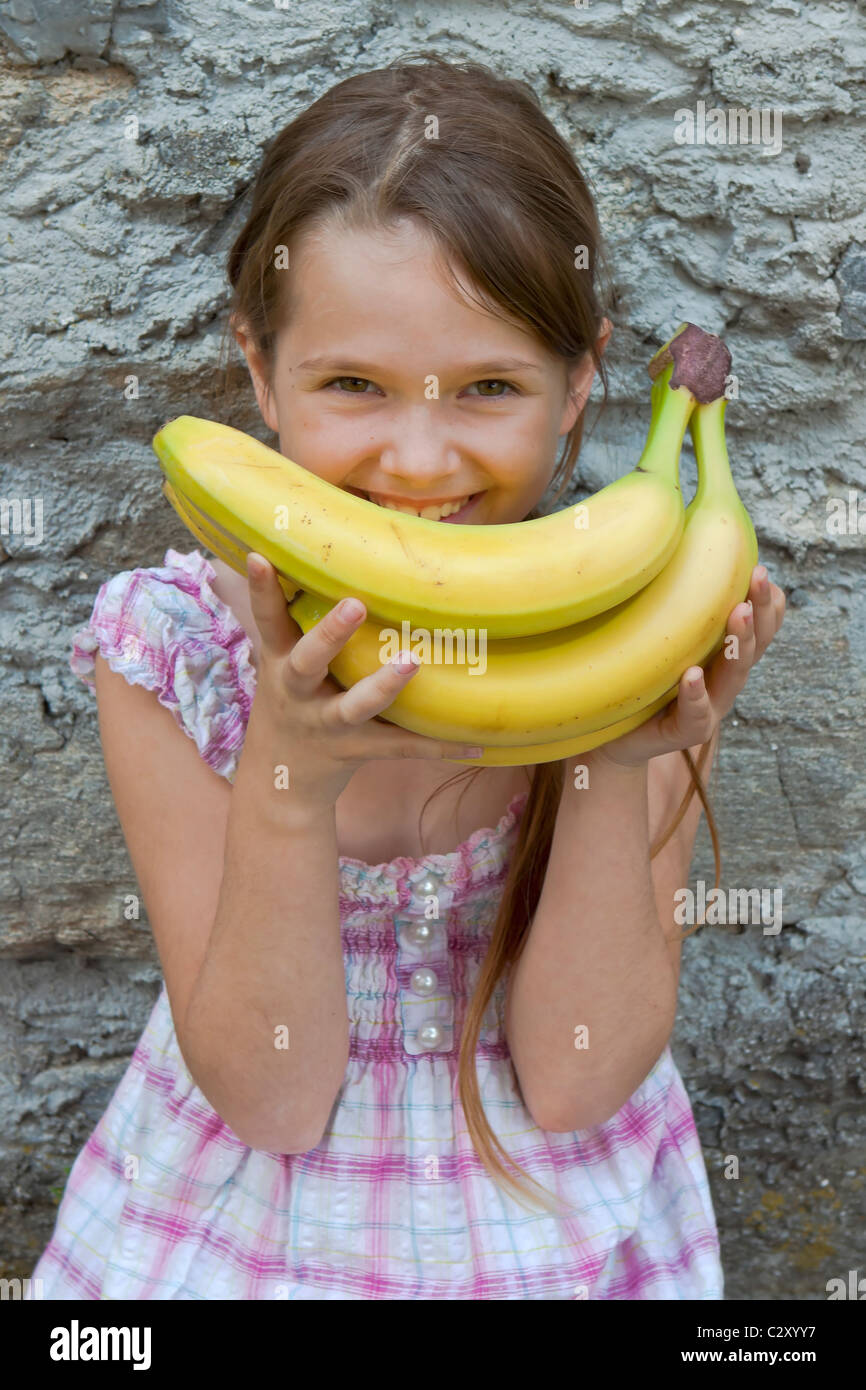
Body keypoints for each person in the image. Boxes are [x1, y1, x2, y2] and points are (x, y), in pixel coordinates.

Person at [29, 55, 785, 1300]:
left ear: (579, 384)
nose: (418, 457)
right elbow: (270, 1097)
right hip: (242, 1237)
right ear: (260, 373)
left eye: (487, 387)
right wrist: (288, 780)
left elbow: (577, 1075)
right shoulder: (171, 651)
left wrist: (610, 749)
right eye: (351, 387)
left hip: (553, 1228)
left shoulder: (631, 634)